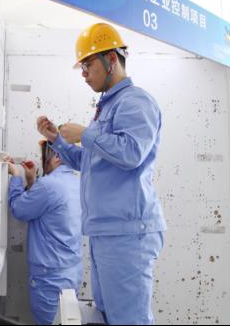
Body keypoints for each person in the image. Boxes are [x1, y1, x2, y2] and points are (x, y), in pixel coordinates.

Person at [37, 22, 166, 325]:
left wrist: (85, 134)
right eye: (82, 67)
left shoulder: (136, 101)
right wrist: (57, 140)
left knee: (128, 320)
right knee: (109, 317)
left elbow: (132, 153)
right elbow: (90, 162)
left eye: (88, 65)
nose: (84, 73)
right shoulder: (107, 108)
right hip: (106, 233)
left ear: (111, 59)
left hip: (126, 234)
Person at [7, 141, 82, 325]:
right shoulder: (77, 183)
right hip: (71, 273)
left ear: (56, 156)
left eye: (43, 156)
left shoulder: (49, 185)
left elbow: (18, 209)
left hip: (50, 280)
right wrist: (31, 181)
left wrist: (16, 176)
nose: (42, 161)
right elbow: (47, 210)